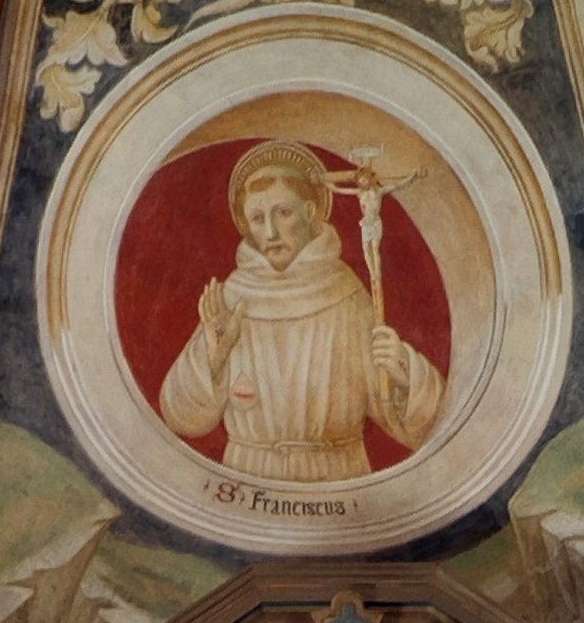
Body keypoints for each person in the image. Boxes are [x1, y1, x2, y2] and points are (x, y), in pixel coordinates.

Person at [156, 140, 444, 485]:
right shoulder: (234, 297)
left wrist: (401, 368)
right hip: (250, 479)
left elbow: (410, 423)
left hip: (338, 477)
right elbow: (182, 415)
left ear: (309, 214)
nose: (271, 232)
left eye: (283, 213)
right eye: (258, 219)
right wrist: (213, 357)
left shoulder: (345, 293)